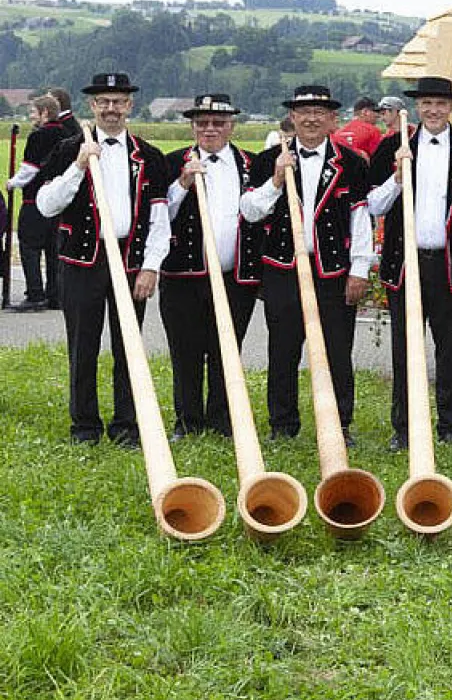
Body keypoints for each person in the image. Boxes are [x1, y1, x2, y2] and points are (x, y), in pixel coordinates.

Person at [35, 73, 172, 445]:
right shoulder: (67, 149)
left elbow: (160, 219)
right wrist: (79, 166)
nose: (111, 108)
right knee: (83, 346)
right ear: (92, 106)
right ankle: (85, 426)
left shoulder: (150, 156)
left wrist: (151, 265)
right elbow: (47, 206)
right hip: (82, 262)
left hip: (130, 262)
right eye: (103, 102)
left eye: (118, 101)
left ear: (130, 105)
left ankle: (127, 425)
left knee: (129, 345)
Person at [366, 76, 452, 450]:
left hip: (450, 265)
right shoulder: (393, 146)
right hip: (404, 264)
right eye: (427, 104)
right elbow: (373, 207)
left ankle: (451, 427)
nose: (434, 110)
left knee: (449, 349)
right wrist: (396, 178)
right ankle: (404, 429)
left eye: (441, 103)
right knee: (405, 348)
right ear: (417, 108)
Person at [240, 85, 374, 442]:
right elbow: (250, 212)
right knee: (282, 348)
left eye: (319, 112)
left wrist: (360, 269)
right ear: (293, 118)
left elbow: (362, 220)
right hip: (283, 268)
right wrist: (275, 182)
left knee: (336, 349)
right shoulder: (268, 160)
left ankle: (339, 425)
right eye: (304, 112)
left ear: (333, 119)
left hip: (332, 270)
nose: (311, 118)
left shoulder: (352, 163)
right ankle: (282, 425)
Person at [158, 94, 263, 438]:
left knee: (226, 352)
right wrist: (183, 184)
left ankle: (222, 420)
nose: (210, 129)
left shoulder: (252, 164)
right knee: (185, 352)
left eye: (218, 123)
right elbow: (159, 217)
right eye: (202, 123)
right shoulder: (172, 162)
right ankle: (187, 422)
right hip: (183, 278)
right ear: (192, 127)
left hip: (235, 277)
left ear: (231, 126)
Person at [8, 92, 77, 312]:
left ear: (45, 113)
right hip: (57, 201)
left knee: (29, 247)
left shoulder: (39, 136)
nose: (30, 116)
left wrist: (12, 183)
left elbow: (30, 168)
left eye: (32, 112)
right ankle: (54, 295)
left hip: (34, 200)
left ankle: (35, 294)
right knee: (52, 250)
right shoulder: (66, 133)